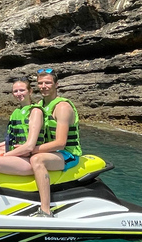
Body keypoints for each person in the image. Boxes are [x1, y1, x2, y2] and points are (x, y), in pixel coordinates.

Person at [0, 77, 44, 212]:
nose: (19, 93)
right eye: (15, 91)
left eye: (22, 90)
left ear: (30, 91)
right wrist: (3, 144)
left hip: (28, 159)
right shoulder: (16, 112)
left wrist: (6, 155)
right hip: (16, 155)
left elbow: (29, 146)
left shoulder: (35, 112)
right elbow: (17, 136)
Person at [29, 68, 82, 217]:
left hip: (67, 154)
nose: (43, 86)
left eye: (47, 82)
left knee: (37, 160)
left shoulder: (62, 107)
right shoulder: (39, 106)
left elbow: (60, 143)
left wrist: (32, 149)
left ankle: (45, 210)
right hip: (48, 151)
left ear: (56, 84)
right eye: (40, 83)